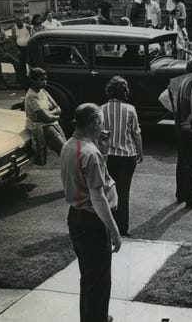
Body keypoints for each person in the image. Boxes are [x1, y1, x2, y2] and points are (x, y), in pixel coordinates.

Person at [61, 103, 121, 322]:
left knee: (89, 276)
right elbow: (98, 197)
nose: (103, 126)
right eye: (102, 121)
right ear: (95, 122)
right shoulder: (89, 153)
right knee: (100, 280)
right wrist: (114, 230)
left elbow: (90, 179)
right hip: (92, 222)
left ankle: (93, 317)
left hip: (77, 219)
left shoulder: (70, 145)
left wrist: (103, 150)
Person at [158, 60, 192, 208]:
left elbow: (162, 97)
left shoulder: (178, 83)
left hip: (180, 124)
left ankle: (181, 193)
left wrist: (176, 111)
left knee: (182, 160)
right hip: (190, 125)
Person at [100, 76, 143, 237]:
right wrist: (140, 151)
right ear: (124, 91)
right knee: (124, 192)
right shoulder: (130, 109)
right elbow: (136, 133)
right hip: (127, 155)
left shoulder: (101, 109)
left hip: (108, 155)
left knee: (107, 190)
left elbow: (99, 134)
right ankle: (122, 228)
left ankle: (106, 225)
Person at [25, 67, 67, 165]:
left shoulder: (43, 91)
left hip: (51, 123)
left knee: (66, 149)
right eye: (41, 80)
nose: (45, 82)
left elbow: (58, 108)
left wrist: (48, 113)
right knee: (64, 151)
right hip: (43, 126)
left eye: (45, 79)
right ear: (33, 81)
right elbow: (46, 118)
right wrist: (54, 115)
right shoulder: (32, 96)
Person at [0, 20, 23, 89]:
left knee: (16, 62)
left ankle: (19, 80)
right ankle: (1, 83)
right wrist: (2, 42)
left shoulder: (2, 31)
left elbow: (8, 40)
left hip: (5, 51)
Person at [10, 17, 32, 84]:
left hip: (28, 48)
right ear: (16, 22)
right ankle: (24, 80)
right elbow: (13, 40)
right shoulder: (14, 29)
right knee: (22, 65)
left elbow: (32, 35)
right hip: (20, 48)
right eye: (18, 21)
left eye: (21, 20)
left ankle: (32, 78)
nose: (20, 22)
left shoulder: (27, 26)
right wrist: (17, 50)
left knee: (30, 63)